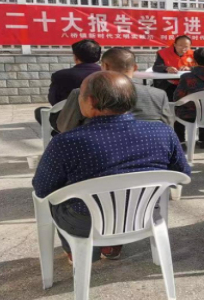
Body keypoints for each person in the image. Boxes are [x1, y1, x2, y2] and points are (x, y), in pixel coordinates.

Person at [32, 72, 190, 263]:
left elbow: (42, 189)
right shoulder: (163, 132)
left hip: (85, 223)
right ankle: (112, 246)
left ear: (90, 101)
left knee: (56, 201)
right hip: (142, 215)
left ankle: (78, 253)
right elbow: (182, 173)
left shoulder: (66, 142)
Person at [55, 48, 175, 132]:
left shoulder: (84, 92)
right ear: (135, 67)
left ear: (105, 66)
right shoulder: (158, 95)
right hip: (147, 153)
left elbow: (65, 127)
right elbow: (168, 127)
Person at [33, 39, 101, 125]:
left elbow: (54, 101)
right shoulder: (110, 76)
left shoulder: (60, 75)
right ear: (98, 56)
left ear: (75, 57)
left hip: (69, 121)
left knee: (39, 111)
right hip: (101, 118)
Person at [152, 35, 195, 101]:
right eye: (180, 45)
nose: (183, 48)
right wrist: (167, 68)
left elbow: (201, 67)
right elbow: (156, 67)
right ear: (175, 45)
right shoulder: (163, 53)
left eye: (186, 47)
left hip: (187, 84)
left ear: (190, 46)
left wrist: (190, 68)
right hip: (168, 84)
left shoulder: (194, 54)